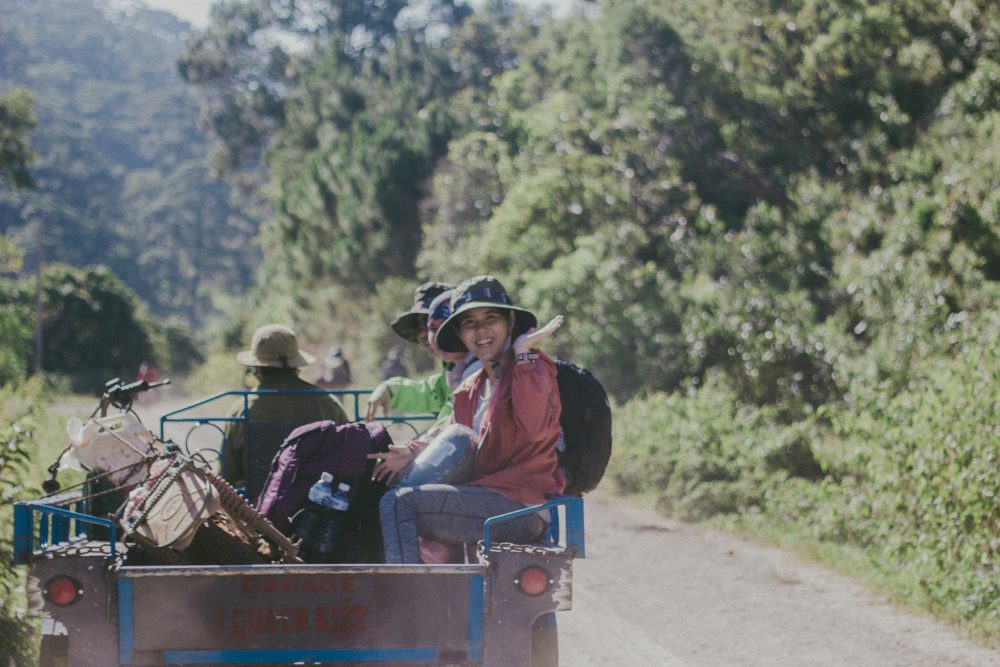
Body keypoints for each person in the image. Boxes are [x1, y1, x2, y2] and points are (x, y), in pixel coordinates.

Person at [377, 275, 566, 564]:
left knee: (399, 504)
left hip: (520, 506)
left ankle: (409, 598)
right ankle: (445, 597)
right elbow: (453, 437)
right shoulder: (469, 388)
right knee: (385, 494)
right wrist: (411, 452)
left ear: (509, 322)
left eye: (491, 318)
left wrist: (522, 354)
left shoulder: (532, 368)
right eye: (469, 323)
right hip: (480, 496)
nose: (481, 331)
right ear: (461, 334)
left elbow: (535, 429)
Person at [365, 289, 482, 484]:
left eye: (437, 324)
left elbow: (462, 431)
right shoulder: (452, 372)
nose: (424, 334)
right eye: (424, 327)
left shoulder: (477, 372)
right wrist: (390, 388)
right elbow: (426, 392)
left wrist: (414, 451)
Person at [221, 324, 350, 488]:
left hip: (252, 510)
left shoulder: (240, 410)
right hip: (314, 507)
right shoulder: (328, 404)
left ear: (256, 368)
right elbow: (347, 456)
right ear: (296, 365)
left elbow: (227, 475)